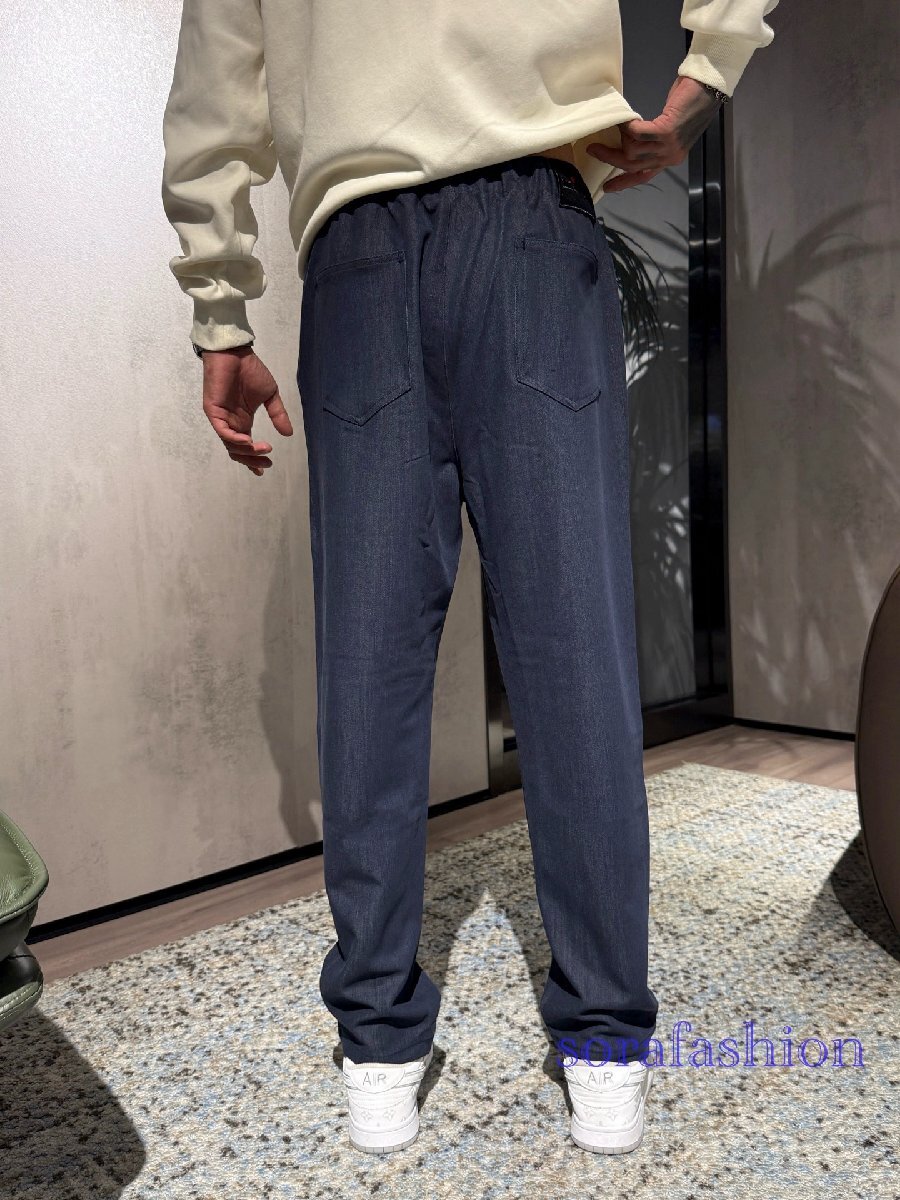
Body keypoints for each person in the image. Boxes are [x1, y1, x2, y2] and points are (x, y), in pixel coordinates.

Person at [161, 0, 780, 1157]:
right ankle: (602, 1035)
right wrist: (708, 74)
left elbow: (214, 88)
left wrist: (220, 310)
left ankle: (381, 1040)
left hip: (363, 246)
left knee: (372, 667)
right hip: (529, 223)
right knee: (573, 658)